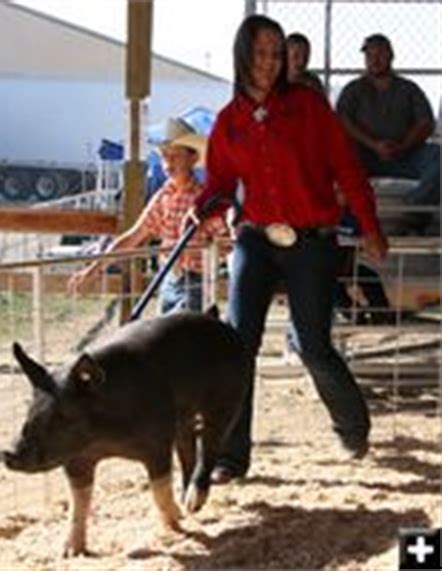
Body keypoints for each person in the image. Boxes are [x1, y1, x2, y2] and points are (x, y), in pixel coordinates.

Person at [190, 14, 388, 483]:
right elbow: (219, 181)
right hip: (256, 239)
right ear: (243, 56)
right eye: (260, 53)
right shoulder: (228, 121)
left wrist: (369, 226)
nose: (269, 62)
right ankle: (230, 458)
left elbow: (347, 170)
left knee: (314, 345)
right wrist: (204, 207)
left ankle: (353, 427)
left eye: (277, 54)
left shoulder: (311, 108)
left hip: (312, 240)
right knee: (240, 346)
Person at [68, 118, 229, 314]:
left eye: (176, 156)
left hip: (195, 282)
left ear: (193, 158)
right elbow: (133, 236)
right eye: (164, 156)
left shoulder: (203, 200)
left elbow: (225, 243)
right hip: (169, 278)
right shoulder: (163, 197)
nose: (168, 162)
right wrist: (94, 269)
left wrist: (207, 254)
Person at [336, 33, 440, 235]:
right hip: (365, 154)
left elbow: (426, 122)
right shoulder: (353, 89)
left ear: (391, 56)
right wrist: (374, 144)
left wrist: (403, 146)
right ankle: (349, 223)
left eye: (380, 54)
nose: (374, 60)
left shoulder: (408, 88)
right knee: (339, 157)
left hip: (406, 153)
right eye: (369, 56)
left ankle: (411, 214)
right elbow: (342, 122)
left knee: (439, 158)